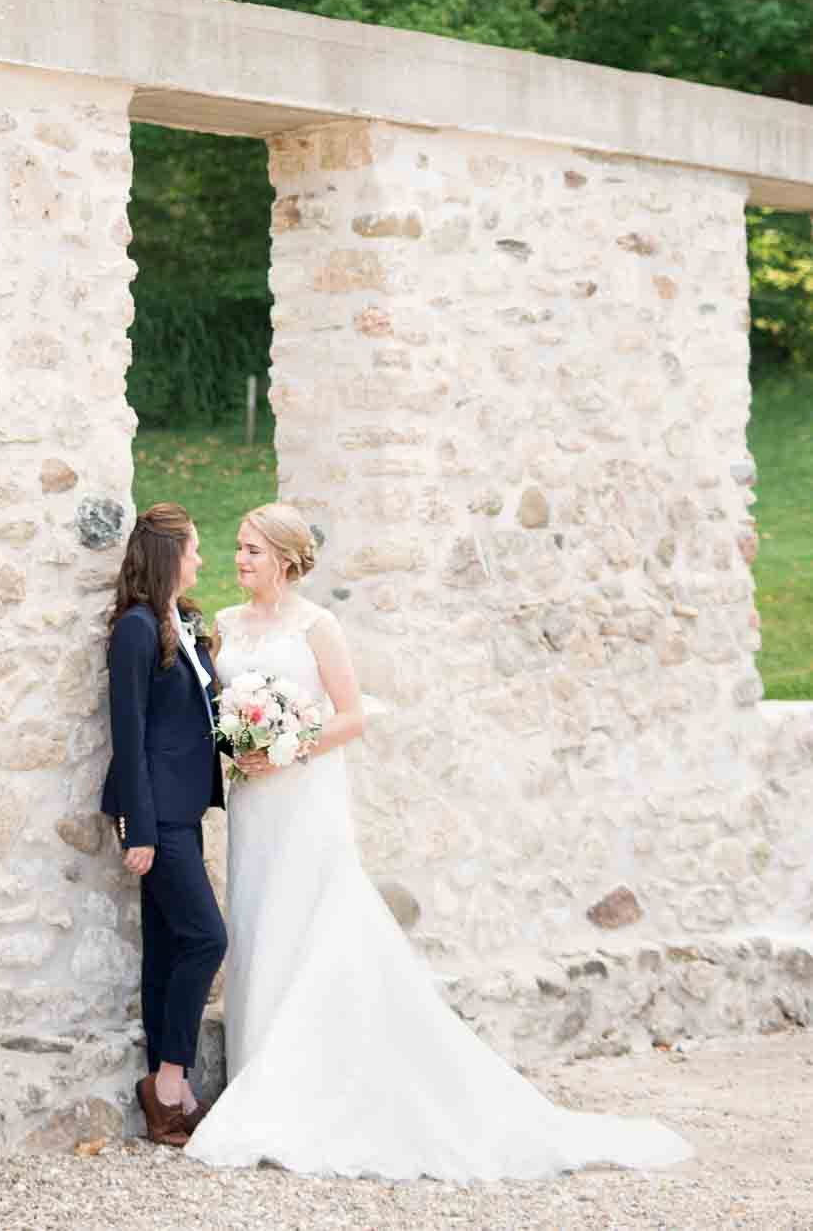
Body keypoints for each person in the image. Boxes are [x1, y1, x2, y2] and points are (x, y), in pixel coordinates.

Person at [186, 502, 694, 1181]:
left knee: (310, 916)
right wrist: (239, 740)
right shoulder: (223, 625)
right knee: (257, 919)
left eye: (250, 550)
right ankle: (260, 1069)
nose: (238, 559)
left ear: (282, 557)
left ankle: (317, 1079)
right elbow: (217, 707)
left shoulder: (317, 626)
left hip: (303, 794)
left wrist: (287, 744)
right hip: (254, 800)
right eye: (238, 548)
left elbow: (351, 717)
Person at [101, 501, 227, 1146]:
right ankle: (170, 1081)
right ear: (168, 555)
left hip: (185, 812)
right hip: (159, 820)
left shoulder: (184, 623)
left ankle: (165, 1092)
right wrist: (138, 829)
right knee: (209, 939)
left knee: (171, 948)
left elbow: (199, 719)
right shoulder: (136, 629)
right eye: (195, 548)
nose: (202, 560)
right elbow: (130, 732)